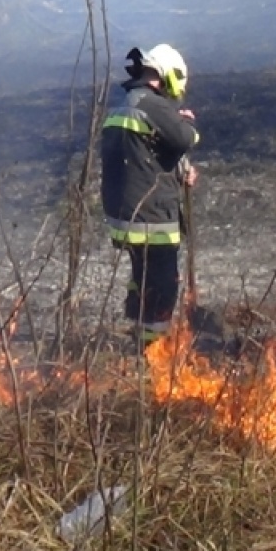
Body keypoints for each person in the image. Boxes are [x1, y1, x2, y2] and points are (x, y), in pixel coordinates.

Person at [100, 43, 200, 347]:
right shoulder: (152, 105)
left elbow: (145, 156)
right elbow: (186, 138)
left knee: (142, 274)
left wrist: (180, 170)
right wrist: (184, 121)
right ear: (169, 74)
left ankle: (138, 327)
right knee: (162, 283)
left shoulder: (125, 104)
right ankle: (153, 350)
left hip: (124, 214)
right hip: (151, 216)